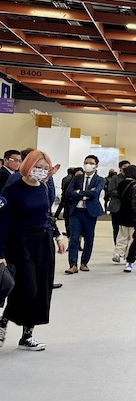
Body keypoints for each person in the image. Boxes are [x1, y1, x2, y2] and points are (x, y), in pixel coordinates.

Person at [0, 150, 67, 351]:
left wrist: (58, 236)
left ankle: (27, 336)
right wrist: (1, 254)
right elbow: (2, 224)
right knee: (27, 289)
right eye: (38, 167)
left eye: (45, 168)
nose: (41, 171)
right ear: (28, 165)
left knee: (41, 290)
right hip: (20, 245)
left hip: (43, 244)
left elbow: (46, 215)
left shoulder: (43, 188)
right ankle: (3, 321)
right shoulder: (12, 191)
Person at [64, 154, 105, 275]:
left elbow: (95, 194)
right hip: (76, 212)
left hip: (89, 212)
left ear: (96, 166)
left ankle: (84, 263)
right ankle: (73, 265)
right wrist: (85, 193)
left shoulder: (99, 179)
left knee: (89, 238)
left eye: (91, 163)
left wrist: (78, 193)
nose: (88, 165)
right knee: (74, 238)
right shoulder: (77, 178)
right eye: (86, 163)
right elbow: (68, 192)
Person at [113, 164, 136, 263]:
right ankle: (130, 255)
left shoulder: (121, 184)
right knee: (133, 236)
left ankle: (118, 253)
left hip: (123, 212)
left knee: (122, 235)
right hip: (134, 213)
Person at [106, 159, 130, 245]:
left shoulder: (132, 178)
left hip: (128, 208)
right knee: (116, 228)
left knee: (127, 229)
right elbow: (110, 190)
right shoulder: (115, 178)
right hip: (116, 206)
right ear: (120, 168)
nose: (127, 169)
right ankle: (117, 246)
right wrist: (123, 193)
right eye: (125, 167)